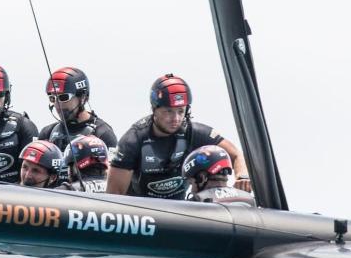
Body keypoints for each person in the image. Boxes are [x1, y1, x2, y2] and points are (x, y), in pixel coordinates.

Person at [107, 73, 251, 199]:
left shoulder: (195, 132)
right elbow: (114, 195)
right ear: (154, 109)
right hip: (143, 215)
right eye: (168, 111)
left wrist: (242, 176)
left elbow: (236, 154)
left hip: (180, 212)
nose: (175, 118)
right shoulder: (133, 140)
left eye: (180, 111)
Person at [36, 66, 118, 151]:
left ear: (83, 98)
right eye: (52, 98)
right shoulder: (47, 133)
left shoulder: (103, 134)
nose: (57, 105)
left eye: (63, 97)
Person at [182, 144, 257, 206]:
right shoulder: (249, 199)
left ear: (201, 178)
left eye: (191, 183)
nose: (192, 190)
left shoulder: (195, 203)